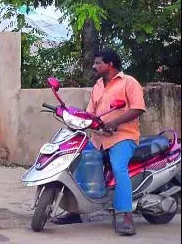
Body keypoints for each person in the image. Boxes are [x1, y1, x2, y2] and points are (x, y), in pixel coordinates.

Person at [53, 49, 145, 235]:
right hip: (98, 138)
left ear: (109, 64)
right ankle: (75, 211)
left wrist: (114, 123)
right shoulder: (97, 86)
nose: (94, 66)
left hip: (122, 137)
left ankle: (125, 215)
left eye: (98, 63)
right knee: (73, 160)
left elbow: (138, 108)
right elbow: (90, 113)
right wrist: (75, 117)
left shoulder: (129, 82)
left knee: (119, 168)